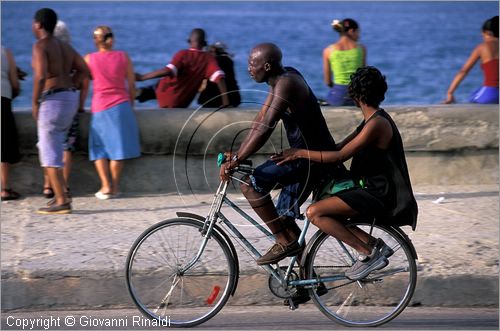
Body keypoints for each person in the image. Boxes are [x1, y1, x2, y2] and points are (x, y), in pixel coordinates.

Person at [272, 66, 418, 281]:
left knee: (315, 212)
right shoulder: (372, 120)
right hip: (369, 187)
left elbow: (340, 155)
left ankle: (368, 252)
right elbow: (339, 146)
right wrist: (308, 150)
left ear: (355, 96)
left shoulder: (376, 124)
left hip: (377, 192)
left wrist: (299, 152)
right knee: (324, 197)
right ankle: (373, 244)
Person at [219, 43, 346, 267]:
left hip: (310, 159)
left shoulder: (287, 83)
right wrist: (238, 154)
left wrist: (237, 161)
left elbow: (267, 126)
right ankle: (309, 282)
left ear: (266, 66)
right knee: (284, 218)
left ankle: (283, 241)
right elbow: (260, 119)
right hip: (301, 158)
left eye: (252, 63)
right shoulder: (280, 79)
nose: (249, 68)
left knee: (250, 185)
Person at [32, 8, 89, 214]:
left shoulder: (41, 45)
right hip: (69, 99)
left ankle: (62, 201)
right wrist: (69, 85)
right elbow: (85, 71)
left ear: (38, 24)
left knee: (48, 152)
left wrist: (35, 102)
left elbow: (39, 76)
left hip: (52, 100)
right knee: (57, 146)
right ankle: (60, 194)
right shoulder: (65, 46)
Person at [82, 25, 141, 199]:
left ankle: (105, 186)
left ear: (97, 40)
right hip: (121, 105)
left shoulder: (89, 59)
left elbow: (85, 85)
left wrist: (80, 105)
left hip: (100, 106)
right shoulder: (123, 57)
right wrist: (130, 103)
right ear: (111, 39)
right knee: (118, 149)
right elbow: (131, 84)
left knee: (98, 148)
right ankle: (114, 186)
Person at [135, 28, 230, 108]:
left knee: (161, 83)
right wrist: (226, 102)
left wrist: (142, 77)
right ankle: (143, 93)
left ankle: (141, 93)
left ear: (188, 41)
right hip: (182, 102)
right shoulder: (208, 59)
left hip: (165, 97)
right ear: (205, 43)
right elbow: (219, 78)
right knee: (164, 83)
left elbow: (167, 71)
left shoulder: (183, 54)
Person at [42, 20, 84, 199]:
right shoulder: (71, 54)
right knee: (66, 147)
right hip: (70, 104)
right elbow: (85, 76)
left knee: (47, 146)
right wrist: (73, 88)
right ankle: (64, 187)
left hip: (50, 103)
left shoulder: (47, 52)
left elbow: (41, 77)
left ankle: (48, 186)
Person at [444, 16, 499, 104]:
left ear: (487, 33)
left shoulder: (482, 47)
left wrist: (450, 93)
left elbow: (463, 71)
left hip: (492, 92)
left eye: (483, 35)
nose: (483, 38)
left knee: (473, 100)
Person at [322, 18, 366, 106]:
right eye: (358, 32)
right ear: (351, 31)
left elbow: (328, 81)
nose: (359, 36)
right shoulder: (361, 49)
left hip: (337, 97)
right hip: (357, 97)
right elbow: (364, 76)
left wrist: (340, 90)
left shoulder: (328, 50)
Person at [1, 46, 22, 200]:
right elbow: (15, 84)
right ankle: (5, 189)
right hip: (3, 99)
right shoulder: (5, 52)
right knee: (4, 145)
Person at [198, 42, 241, 108]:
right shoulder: (229, 61)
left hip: (213, 100)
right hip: (234, 99)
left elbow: (219, 79)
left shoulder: (213, 62)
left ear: (213, 51)